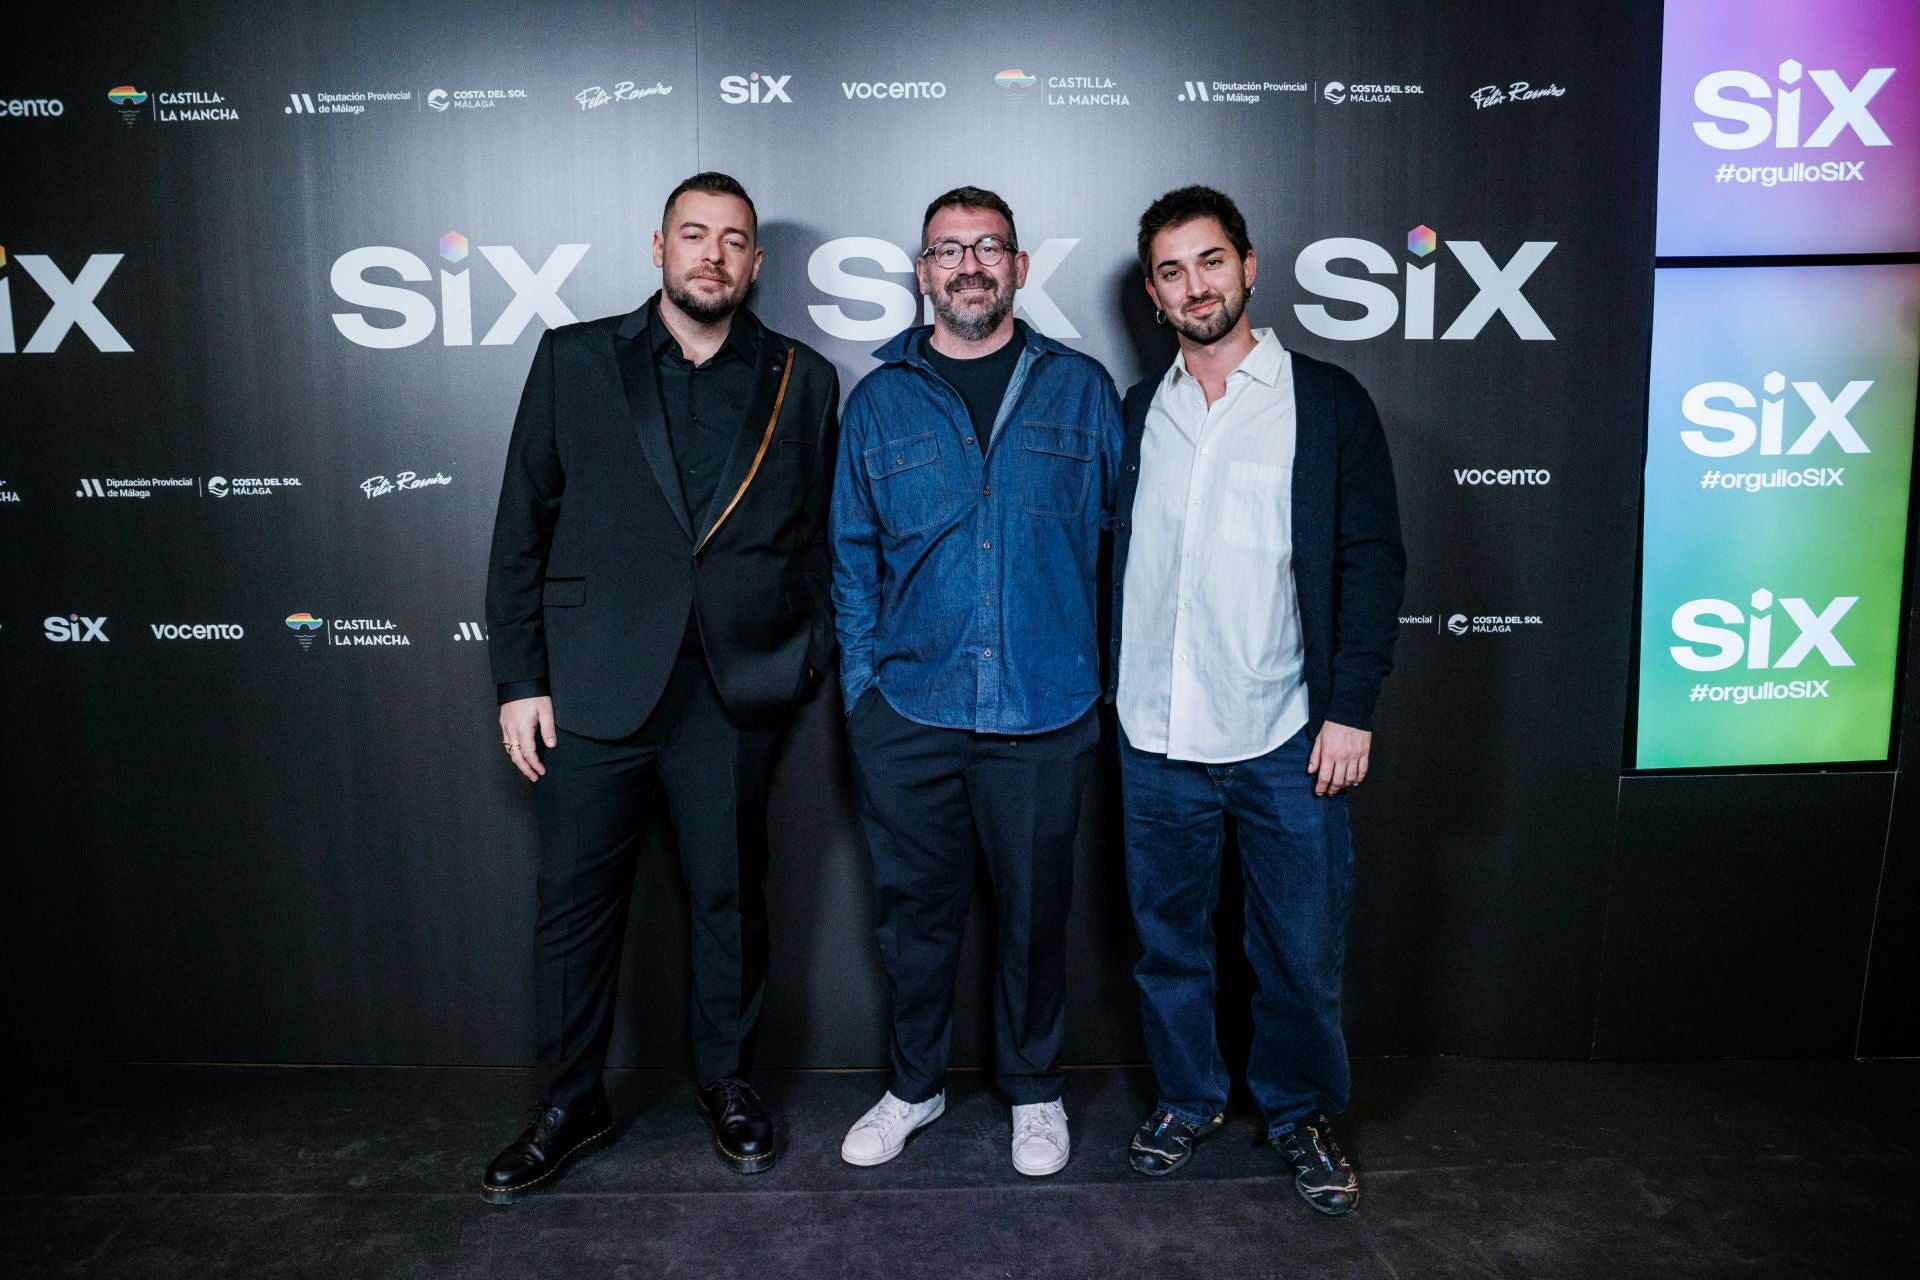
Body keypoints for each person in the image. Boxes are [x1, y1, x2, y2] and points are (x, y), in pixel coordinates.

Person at [479, 171, 839, 1201]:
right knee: (576, 905)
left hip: (733, 692)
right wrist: (520, 677)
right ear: (658, 247)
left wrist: (803, 648)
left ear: (755, 262)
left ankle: (725, 1081)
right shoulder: (575, 358)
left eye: (734, 240)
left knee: (728, 900)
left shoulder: (800, 379)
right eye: (695, 235)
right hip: (592, 687)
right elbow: (522, 527)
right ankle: (567, 1100)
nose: (713, 255)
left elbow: (819, 538)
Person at [1112, 186, 1404, 1214]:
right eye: (1172, 270)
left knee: (1297, 949)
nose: (1195, 284)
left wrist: (1351, 705)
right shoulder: (1137, 411)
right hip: (1153, 734)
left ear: (1248, 264)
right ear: (1154, 292)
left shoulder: (1324, 401)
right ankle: (1188, 1096)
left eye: (1210, 261)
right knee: (1169, 945)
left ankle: (1299, 1112)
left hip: (1287, 731)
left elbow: (1371, 559)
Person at [830, 185, 1122, 1176]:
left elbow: (1123, 551)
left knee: (1038, 917)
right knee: (915, 922)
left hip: (1048, 709)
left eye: (988, 247)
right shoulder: (877, 401)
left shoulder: (1081, 390)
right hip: (910, 710)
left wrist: (1104, 687)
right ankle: (915, 1084)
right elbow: (850, 559)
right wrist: (865, 697)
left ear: (1019, 267)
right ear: (923, 272)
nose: (969, 265)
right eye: (948, 250)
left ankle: (1034, 1092)